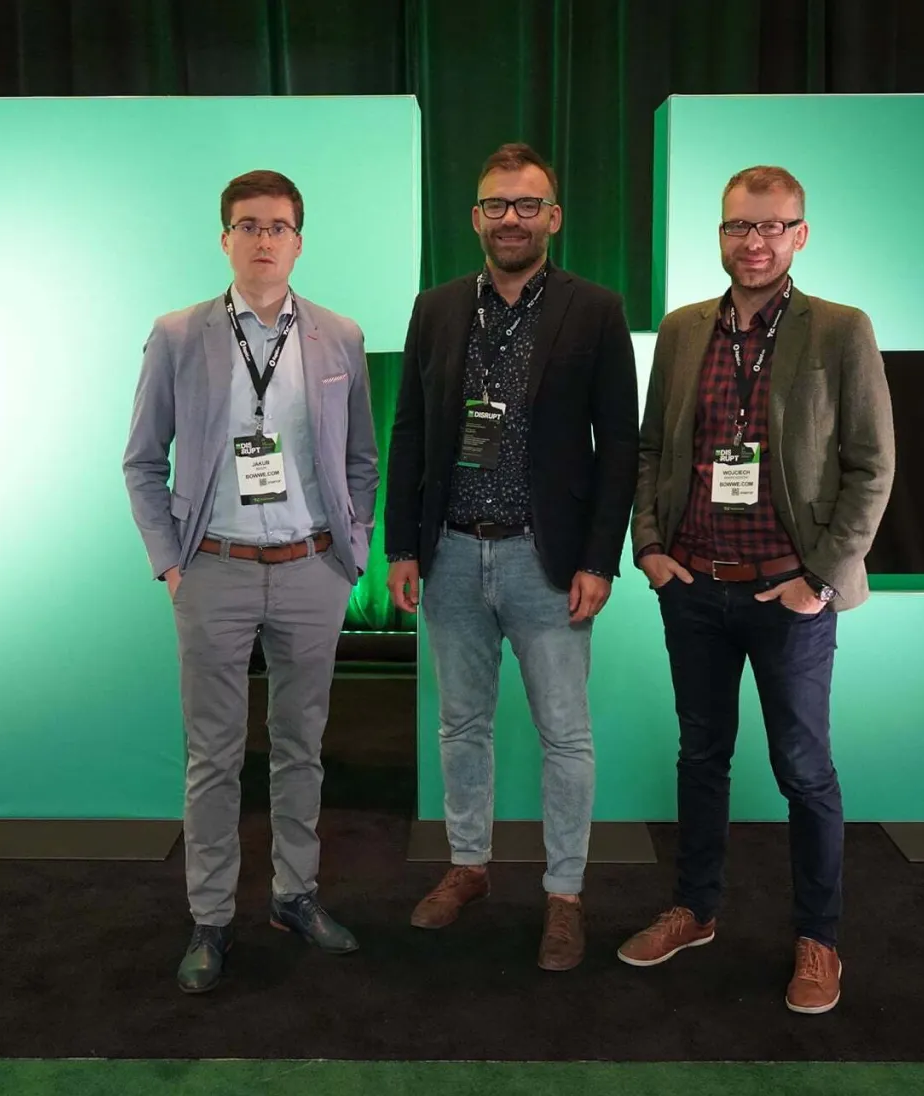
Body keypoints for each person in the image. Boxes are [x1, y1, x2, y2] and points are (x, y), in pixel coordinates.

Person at [619, 165, 895, 1014]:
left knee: (803, 769)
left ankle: (819, 938)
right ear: (721, 233)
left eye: (773, 226)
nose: (756, 241)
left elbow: (871, 465)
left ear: (800, 235)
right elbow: (652, 452)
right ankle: (695, 909)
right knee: (701, 756)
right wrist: (652, 546)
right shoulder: (682, 328)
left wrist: (821, 578)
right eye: (741, 226)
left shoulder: (840, 331)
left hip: (789, 596)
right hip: (695, 589)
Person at [384, 142, 638, 972]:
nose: (511, 219)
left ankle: (564, 895)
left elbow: (620, 449)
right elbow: (411, 432)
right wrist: (401, 546)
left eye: (528, 205)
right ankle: (469, 868)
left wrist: (601, 558)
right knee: (461, 725)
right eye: (497, 205)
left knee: (565, 735)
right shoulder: (436, 308)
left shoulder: (595, 310)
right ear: (476, 218)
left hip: (547, 560)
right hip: (451, 554)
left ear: (553, 218)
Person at [123, 169, 379, 995]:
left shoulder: (340, 336)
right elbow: (140, 461)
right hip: (215, 569)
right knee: (213, 757)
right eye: (248, 225)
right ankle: (210, 918)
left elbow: (362, 459)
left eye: (278, 226)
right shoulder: (177, 335)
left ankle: (296, 896)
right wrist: (170, 561)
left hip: (311, 570)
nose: (263, 239)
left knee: (303, 748)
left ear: (299, 241)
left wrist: (355, 552)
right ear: (224, 238)